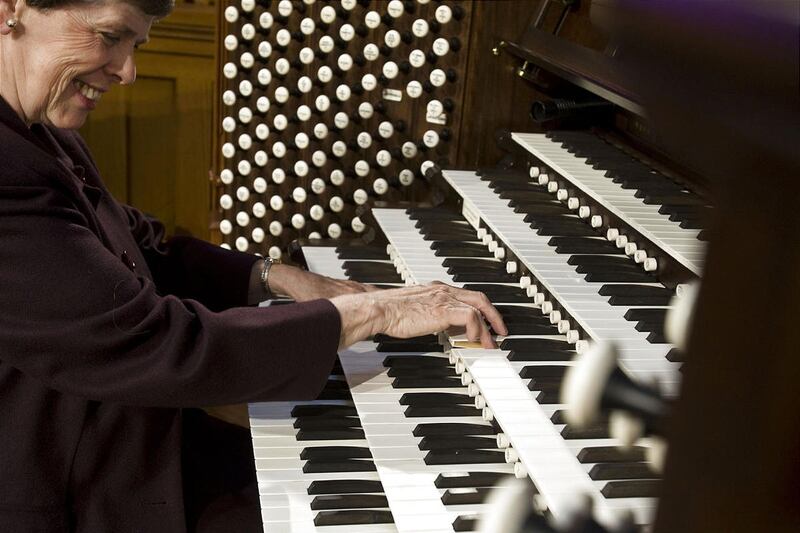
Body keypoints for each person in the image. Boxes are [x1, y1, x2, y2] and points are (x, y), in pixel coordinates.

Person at [0, 0, 507, 531]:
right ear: (12, 11)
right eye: (109, 36)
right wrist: (370, 313)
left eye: (137, 45)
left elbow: (141, 248)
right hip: (66, 487)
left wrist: (275, 276)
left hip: (122, 430)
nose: (128, 71)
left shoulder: (38, 129)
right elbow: (154, 344)